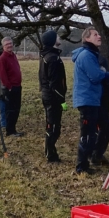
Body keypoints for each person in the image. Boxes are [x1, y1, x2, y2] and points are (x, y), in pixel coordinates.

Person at [71, 27, 109, 175]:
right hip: (86, 100)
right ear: (87, 38)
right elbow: (95, 76)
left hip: (94, 100)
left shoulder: (92, 54)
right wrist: (108, 74)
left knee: (107, 125)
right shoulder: (86, 56)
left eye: (99, 33)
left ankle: (96, 155)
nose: (99, 36)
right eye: (96, 34)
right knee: (88, 134)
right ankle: (81, 167)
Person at [39, 29, 67, 163]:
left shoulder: (48, 56)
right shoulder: (53, 58)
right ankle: (50, 154)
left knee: (52, 125)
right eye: (57, 36)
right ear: (52, 41)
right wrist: (61, 100)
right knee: (54, 127)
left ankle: (50, 152)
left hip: (48, 96)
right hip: (52, 98)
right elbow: (54, 83)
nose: (59, 37)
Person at [0, 36, 23, 138]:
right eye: (7, 44)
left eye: (10, 43)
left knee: (16, 109)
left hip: (17, 86)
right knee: (11, 110)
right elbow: (2, 74)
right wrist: (9, 87)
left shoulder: (13, 55)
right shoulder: (3, 58)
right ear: (3, 46)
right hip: (10, 88)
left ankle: (13, 129)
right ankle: (10, 131)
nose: (9, 46)